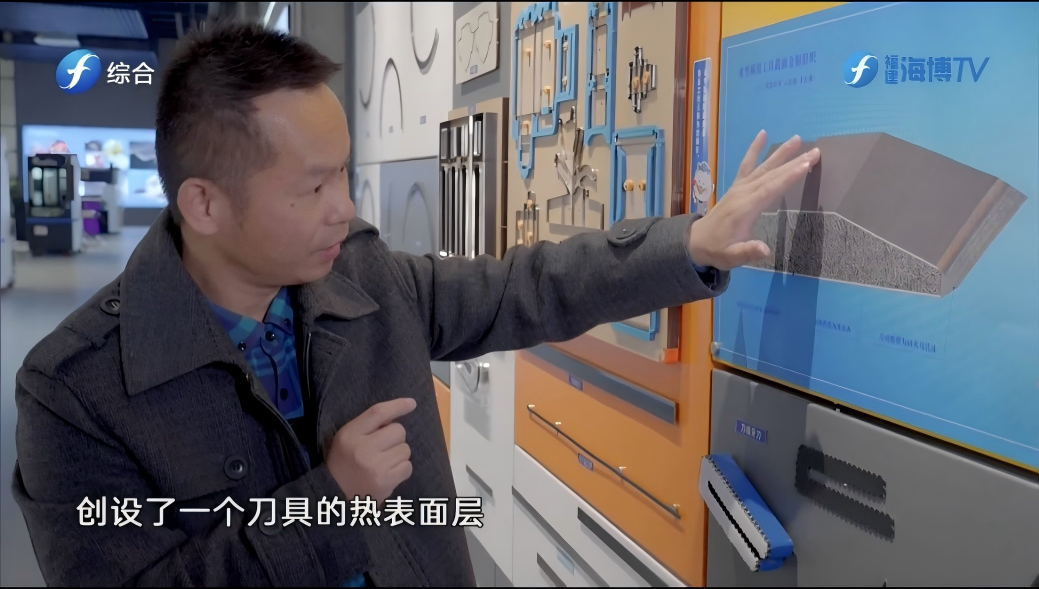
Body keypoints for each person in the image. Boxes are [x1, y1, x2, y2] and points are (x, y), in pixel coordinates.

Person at [11, 21, 820, 588]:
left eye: (343, 172)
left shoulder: (364, 278)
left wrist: (690, 244)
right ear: (204, 204)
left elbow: (526, 287)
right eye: (313, 186)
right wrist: (332, 499)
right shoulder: (74, 391)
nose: (344, 207)